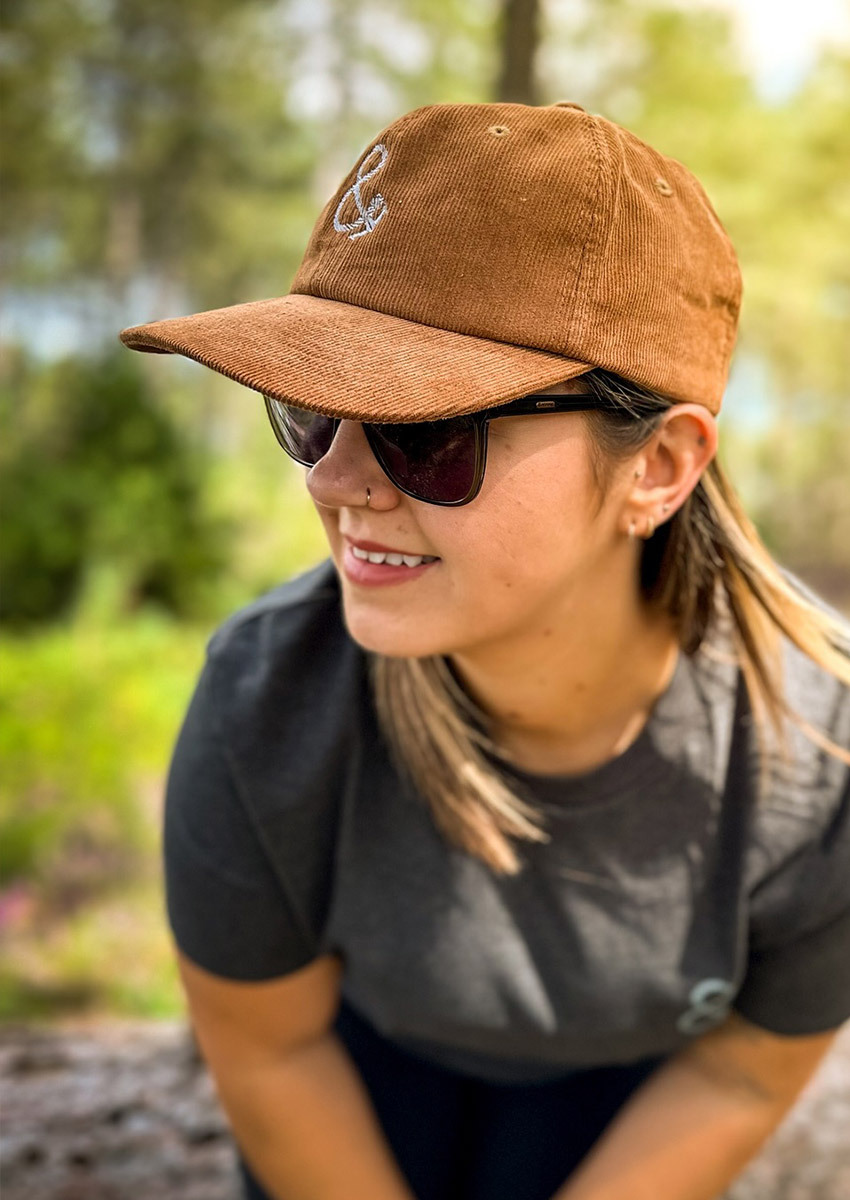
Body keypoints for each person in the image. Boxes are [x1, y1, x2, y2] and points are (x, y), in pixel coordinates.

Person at [119, 101, 850, 1200]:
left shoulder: (822, 760)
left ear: (656, 467)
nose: (327, 482)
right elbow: (272, 1048)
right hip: (358, 1075)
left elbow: (744, 1073)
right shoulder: (269, 700)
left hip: (631, 1099)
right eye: (309, 412)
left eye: (426, 434)